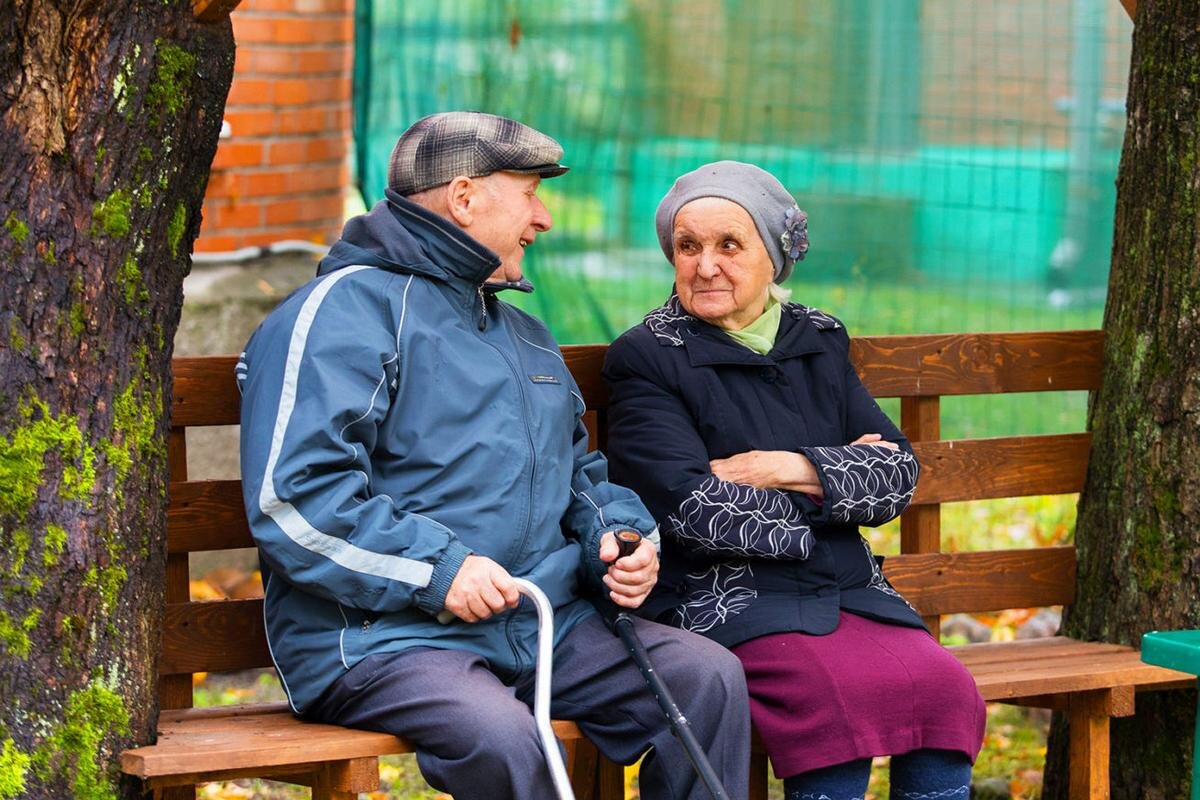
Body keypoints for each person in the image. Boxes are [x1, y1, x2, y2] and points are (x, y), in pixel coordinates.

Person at [237, 113, 750, 800]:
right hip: (387, 640)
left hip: (539, 621)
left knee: (706, 679)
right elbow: (295, 500)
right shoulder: (339, 313)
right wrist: (439, 570)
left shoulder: (524, 333)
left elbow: (579, 475)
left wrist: (618, 539)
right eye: (531, 193)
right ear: (465, 198)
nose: (543, 219)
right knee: (507, 739)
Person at [602, 161, 985, 800]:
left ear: (774, 256)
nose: (704, 265)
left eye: (730, 244)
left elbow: (896, 474)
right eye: (688, 246)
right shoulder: (647, 355)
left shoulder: (819, 337)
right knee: (836, 700)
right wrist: (836, 487)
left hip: (851, 589)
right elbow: (692, 509)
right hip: (726, 597)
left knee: (944, 690)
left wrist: (788, 469)